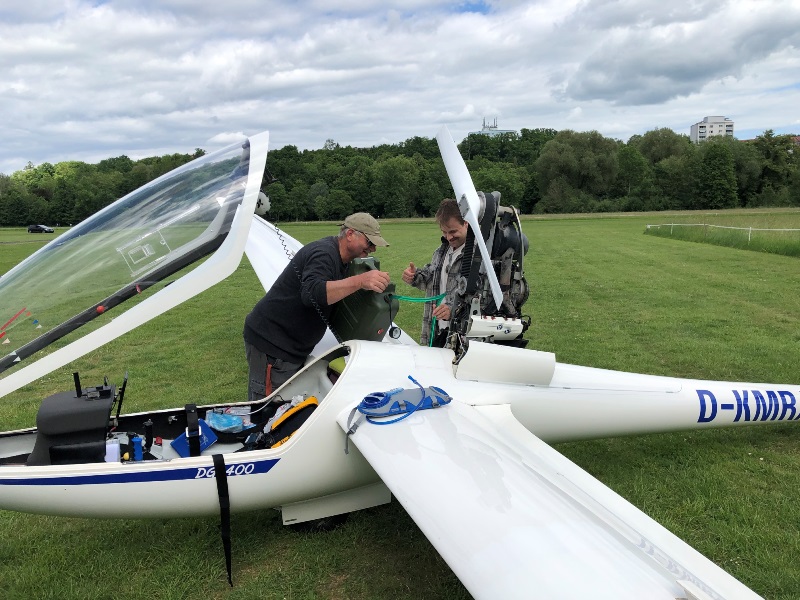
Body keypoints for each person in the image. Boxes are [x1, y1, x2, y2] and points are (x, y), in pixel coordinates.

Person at [244, 213, 390, 401]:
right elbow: (312, 294)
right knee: (267, 406)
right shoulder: (324, 253)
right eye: (369, 242)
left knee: (286, 405)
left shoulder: (344, 261)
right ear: (350, 234)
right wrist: (360, 281)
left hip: (292, 347)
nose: (373, 248)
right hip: (272, 343)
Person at [402, 199, 468, 347]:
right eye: (444, 232)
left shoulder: (477, 256)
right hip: (437, 331)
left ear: (466, 223)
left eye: (453, 231)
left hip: (460, 337)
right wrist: (414, 276)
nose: (449, 237)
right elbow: (431, 278)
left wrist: (453, 310)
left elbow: (478, 297)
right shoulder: (441, 251)